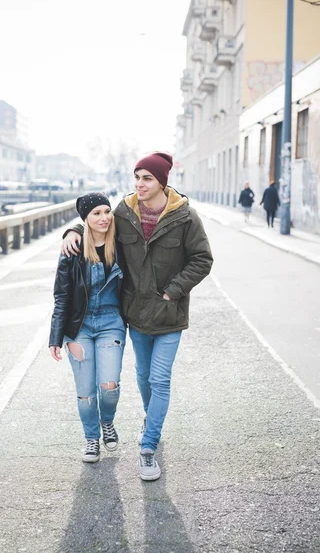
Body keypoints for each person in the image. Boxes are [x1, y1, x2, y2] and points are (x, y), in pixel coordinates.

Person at [62, 152, 213, 481]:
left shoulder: (185, 217)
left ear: (161, 181)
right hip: (136, 315)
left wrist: (173, 290)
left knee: (160, 379)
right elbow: (97, 225)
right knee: (144, 377)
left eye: (146, 178)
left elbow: (202, 259)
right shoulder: (125, 212)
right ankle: (151, 418)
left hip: (170, 314)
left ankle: (148, 446)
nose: (139, 184)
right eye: (137, 177)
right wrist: (72, 231)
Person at [49, 192, 126, 464]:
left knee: (109, 385)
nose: (104, 217)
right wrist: (55, 338)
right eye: (96, 213)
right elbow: (62, 296)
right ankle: (91, 439)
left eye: (107, 211)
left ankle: (107, 421)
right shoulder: (73, 249)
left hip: (111, 323)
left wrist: (73, 228)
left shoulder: (121, 242)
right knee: (85, 393)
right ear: (85, 218)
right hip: (79, 326)